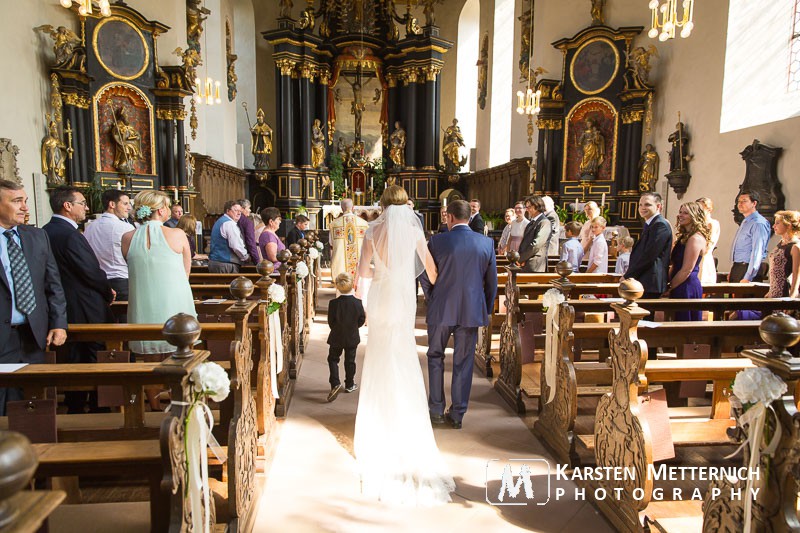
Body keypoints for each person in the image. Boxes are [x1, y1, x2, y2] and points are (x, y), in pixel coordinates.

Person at [354, 185, 454, 506]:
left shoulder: (371, 230)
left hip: (381, 297)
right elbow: (433, 273)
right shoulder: (412, 230)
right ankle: (405, 418)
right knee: (403, 355)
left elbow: (362, 273)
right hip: (402, 297)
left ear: (382, 205)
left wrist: (362, 300)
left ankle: (377, 422)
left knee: (379, 354)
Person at [421, 198, 496, 430]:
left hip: (441, 308)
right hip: (471, 311)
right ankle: (457, 414)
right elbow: (491, 283)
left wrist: (432, 297)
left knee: (435, 357)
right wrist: (485, 308)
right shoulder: (486, 243)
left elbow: (424, 274)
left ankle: (435, 410)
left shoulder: (436, 241)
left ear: (450, 217)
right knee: (463, 362)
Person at [44, 186, 116, 413]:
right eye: (82, 203)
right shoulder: (70, 234)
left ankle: (74, 404)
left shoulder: (45, 230)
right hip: (85, 303)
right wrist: (107, 291)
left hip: (62, 304)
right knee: (94, 354)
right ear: (67, 206)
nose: (86, 207)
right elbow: (89, 271)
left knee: (73, 357)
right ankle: (98, 407)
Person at [122, 191, 196, 408]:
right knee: (179, 352)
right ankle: (179, 401)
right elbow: (185, 272)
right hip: (175, 301)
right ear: (162, 210)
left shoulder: (127, 238)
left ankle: (154, 405)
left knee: (149, 358)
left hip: (142, 304)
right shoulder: (177, 234)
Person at [0, 180, 67, 415]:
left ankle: (34, 450)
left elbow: (53, 284)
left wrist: (59, 324)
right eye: (17, 201)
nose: (25, 208)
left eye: (25, 201)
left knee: (32, 403)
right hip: (2, 334)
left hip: (33, 333)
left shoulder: (37, 236)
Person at [737, 211, 800, 320]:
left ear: (788, 225)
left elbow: (796, 275)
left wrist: (792, 299)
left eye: (777, 223)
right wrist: (770, 291)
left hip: (784, 293)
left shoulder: (795, 247)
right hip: (773, 293)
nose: (773, 226)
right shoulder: (781, 243)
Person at [84, 189, 133, 302]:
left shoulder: (90, 227)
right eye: (125, 204)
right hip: (121, 281)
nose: (129, 207)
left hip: (99, 281)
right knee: (126, 319)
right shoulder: (125, 227)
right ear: (112, 204)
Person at [623, 192, 673, 299]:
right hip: (644, 279)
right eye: (640, 205)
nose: (642, 208)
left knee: (645, 314)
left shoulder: (660, 225)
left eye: (647, 205)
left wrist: (629, 275)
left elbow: (649, 255)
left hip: (651, 281)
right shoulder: (651, 224)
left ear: (658, 206)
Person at [325, 273, 365, 402]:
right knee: (350, 361)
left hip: (336, 336)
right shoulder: (358, 303)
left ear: (337, 286)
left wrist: (337, 329)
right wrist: (353, 328)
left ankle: (335, 383)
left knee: (333, 359)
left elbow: (331, 321)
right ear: (353, 285)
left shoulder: (333, 303)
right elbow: (361, 320)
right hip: (352, 337)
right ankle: (349, 384)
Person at [667, 202, 710, 321]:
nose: (681, 215)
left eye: (685, 213)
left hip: (686, 286)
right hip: (679, 283)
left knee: (684, 321)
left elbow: (687, 269)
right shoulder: (685, 237)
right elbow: (675, 264)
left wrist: (670, 287)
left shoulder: (695, 238)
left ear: (695, 216)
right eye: (680, 212)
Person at [729, 190, 770, 283]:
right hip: (738, 267)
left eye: (744, 201)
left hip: (747, 268)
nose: (740, 204)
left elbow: (757, 251)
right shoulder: (745, 221)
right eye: (738, 201)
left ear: (754, 203)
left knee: (744, 297)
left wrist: (748, 276)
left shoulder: (758, 223)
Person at [329, 198, 369, 283]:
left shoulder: (334, 225)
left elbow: (331, 244)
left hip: (341, 266)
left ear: (341, 208)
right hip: (360, 263)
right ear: (353, 207)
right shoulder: (364, 224)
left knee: (342, 288)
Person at [208, 200, 249, 273]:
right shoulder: (229, 224)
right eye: (236, 210)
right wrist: (245, 257)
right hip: (226, 264)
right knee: (229, 284)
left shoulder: (220, 221)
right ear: (228, 211)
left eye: (240, 211)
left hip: (215, 262)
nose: (239, 213)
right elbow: (236, 246)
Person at [518, 195, 552, 272]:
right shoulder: (532, 222)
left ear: (537, 206)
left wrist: (521, 258)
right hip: (526, 262)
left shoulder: (544, 222)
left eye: (529, 207)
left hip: (535, 264)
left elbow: (536, 244)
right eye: (526, 207)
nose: (527, 210)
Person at [696, 197, 721, 284]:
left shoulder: (712, 223)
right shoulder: (696, 223)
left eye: (701, 208)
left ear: (709, 209)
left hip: (704, 260)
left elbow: (708, 246)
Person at [111, 107, 142, 174]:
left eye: (127, 116)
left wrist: (136, 136)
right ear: (122, 118)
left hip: (130, 141)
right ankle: (122, 164)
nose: (127, 118)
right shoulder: (118, 126)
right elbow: (115, 134)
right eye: (125, 116)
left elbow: (135, 133)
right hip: (122, 143)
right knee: (127, 148)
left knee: (133, 148)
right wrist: (120, 131)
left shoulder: (129, 126)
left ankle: (129, 164)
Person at [236, 199, 259, 263]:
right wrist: (257, 260)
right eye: (248, 208)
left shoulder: (232, 220)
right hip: (243, 257)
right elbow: (250, 242)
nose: (250, 210)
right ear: (242, 209)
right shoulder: (247, 222)